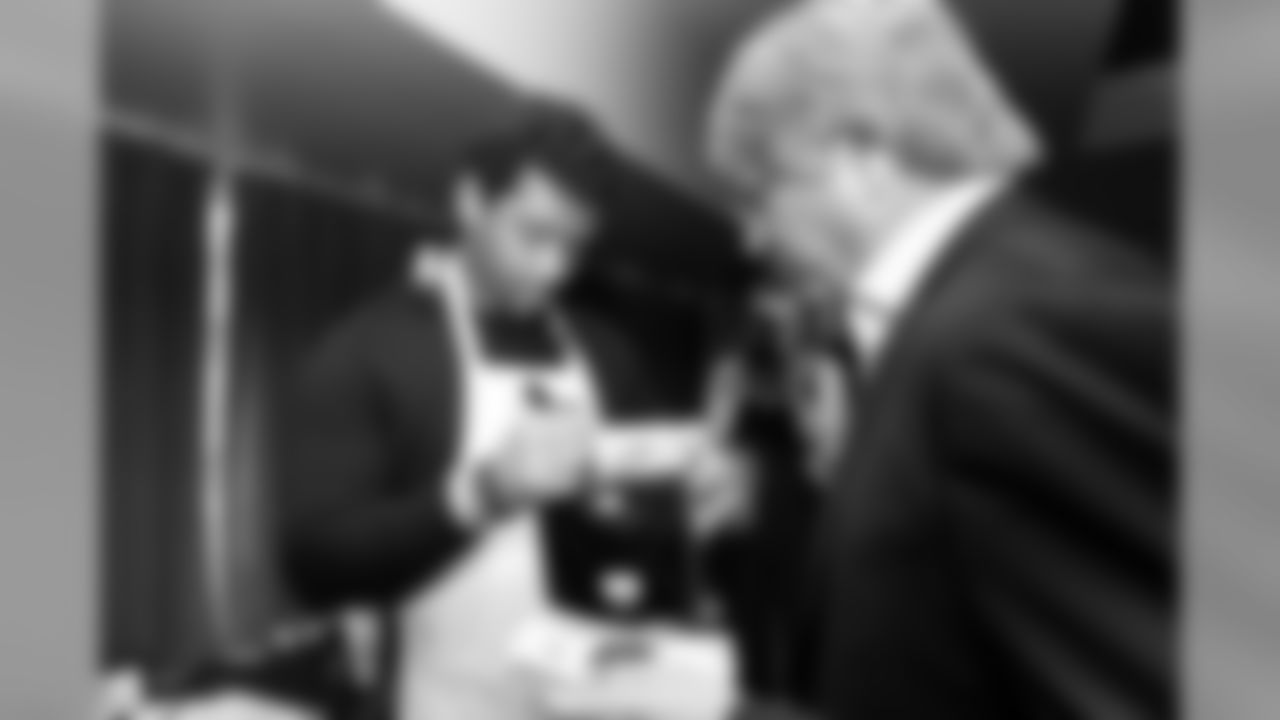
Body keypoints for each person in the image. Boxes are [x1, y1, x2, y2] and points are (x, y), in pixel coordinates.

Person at [541, 0, 1176, 718]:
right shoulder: (961, 327)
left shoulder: (1014, 331)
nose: (750, 241)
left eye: (757, 196)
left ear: (860, 155)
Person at [275, 100, 664, 720]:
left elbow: (648, 520)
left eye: (575, 247)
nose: (554, 269)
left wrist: (696, 497)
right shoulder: (368, 351)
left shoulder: (610, 355)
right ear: (470, 202)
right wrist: (482, 494)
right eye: (533, 235)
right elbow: (313, 565)